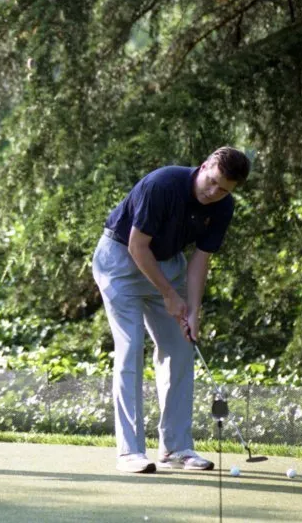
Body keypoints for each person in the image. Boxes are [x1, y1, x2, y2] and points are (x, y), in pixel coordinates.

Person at [92, 147, 250, 473]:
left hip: (168, 265)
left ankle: (176, 447)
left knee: (181, 347)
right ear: (204, 166)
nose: (214, 192)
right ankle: (130, 452)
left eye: (224, 189)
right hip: (120, 263)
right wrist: (168, 294)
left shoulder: (222, 206)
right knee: (131, 348)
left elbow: (200, 260)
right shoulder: (163, 184)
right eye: (212, 182)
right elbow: (137, 245)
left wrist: (193, 310)